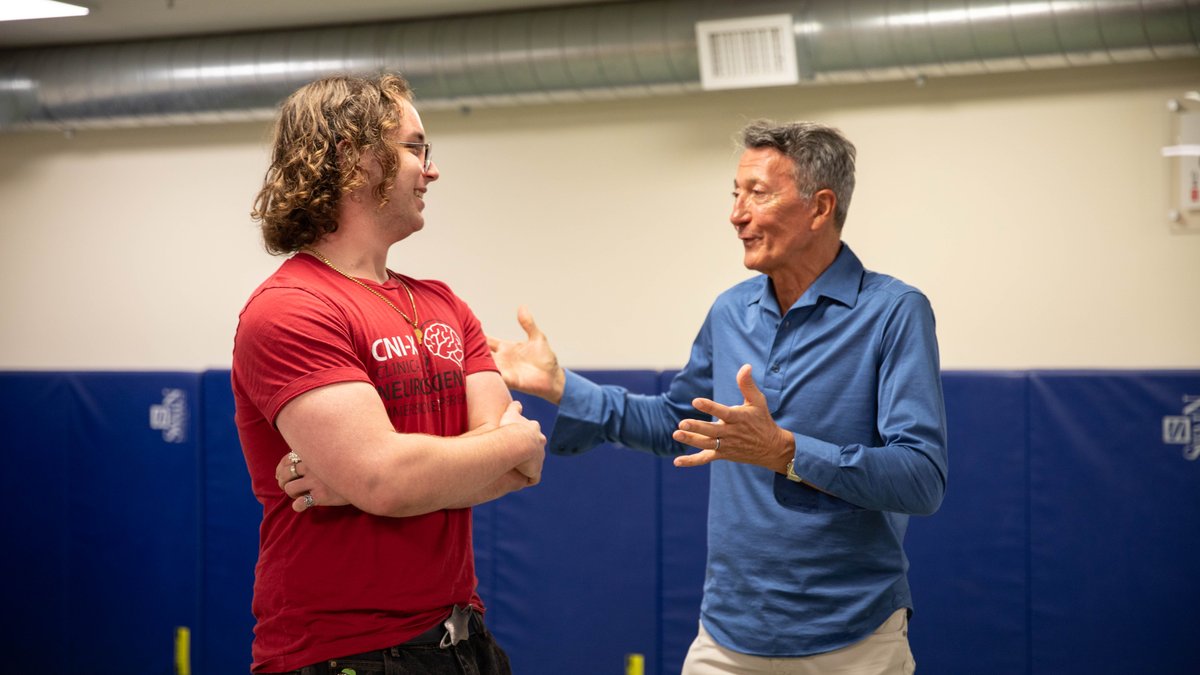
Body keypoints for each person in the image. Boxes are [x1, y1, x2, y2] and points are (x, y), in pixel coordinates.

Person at [488, 121, 947, 674]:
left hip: (853, 638)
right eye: (735, 193)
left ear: (820, 208)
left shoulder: (895, 312)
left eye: (758, 193)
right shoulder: (730, 311)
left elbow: (920, 479)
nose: (737, 214)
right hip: (727, 636)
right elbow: (675, 424)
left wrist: (785, 451)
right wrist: (560, 386)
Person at [231, 73, 545, 675]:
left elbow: (520, 468)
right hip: (343, 653)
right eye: (415, 148)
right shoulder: (292, 307)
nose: (431, 171)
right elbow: (390, 481)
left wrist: (371, 476)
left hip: (462, 641)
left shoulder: (445, 303)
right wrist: (502, 440)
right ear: (353, 157)